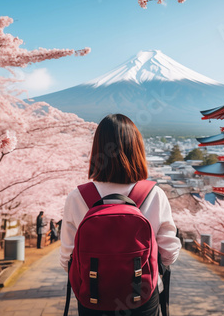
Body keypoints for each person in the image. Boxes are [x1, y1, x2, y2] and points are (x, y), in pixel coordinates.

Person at [60, 114, 181, 316]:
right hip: (142, 295)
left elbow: (67, 258)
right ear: (137, 149)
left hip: (92, 296)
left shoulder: (78, 197)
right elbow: (169, 253)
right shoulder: (154, 194)